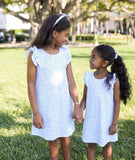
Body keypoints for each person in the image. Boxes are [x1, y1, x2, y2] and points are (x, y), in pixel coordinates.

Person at [26, 13, 82, 160]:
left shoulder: (65, 54)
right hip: (46, 106)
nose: (66, 39)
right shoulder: (35, 54)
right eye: (65, 35)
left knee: (66, 137)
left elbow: (71, 81)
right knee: (52, 139)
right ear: (54, 33)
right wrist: (36, 112)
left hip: (64, 105)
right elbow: (31, 84)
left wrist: (76, 105)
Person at [80, 44, 131, 160]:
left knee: (107, 144)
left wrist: (114, 123)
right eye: (91, 57)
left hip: (106, 120)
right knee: (91, 144)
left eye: (94, 57)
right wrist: (80, 110)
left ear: (104, 63)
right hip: (91, 119)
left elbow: (117, 103)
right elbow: (85, 98)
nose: (90, 60)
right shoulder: (88, 77)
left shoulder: (113, 80)